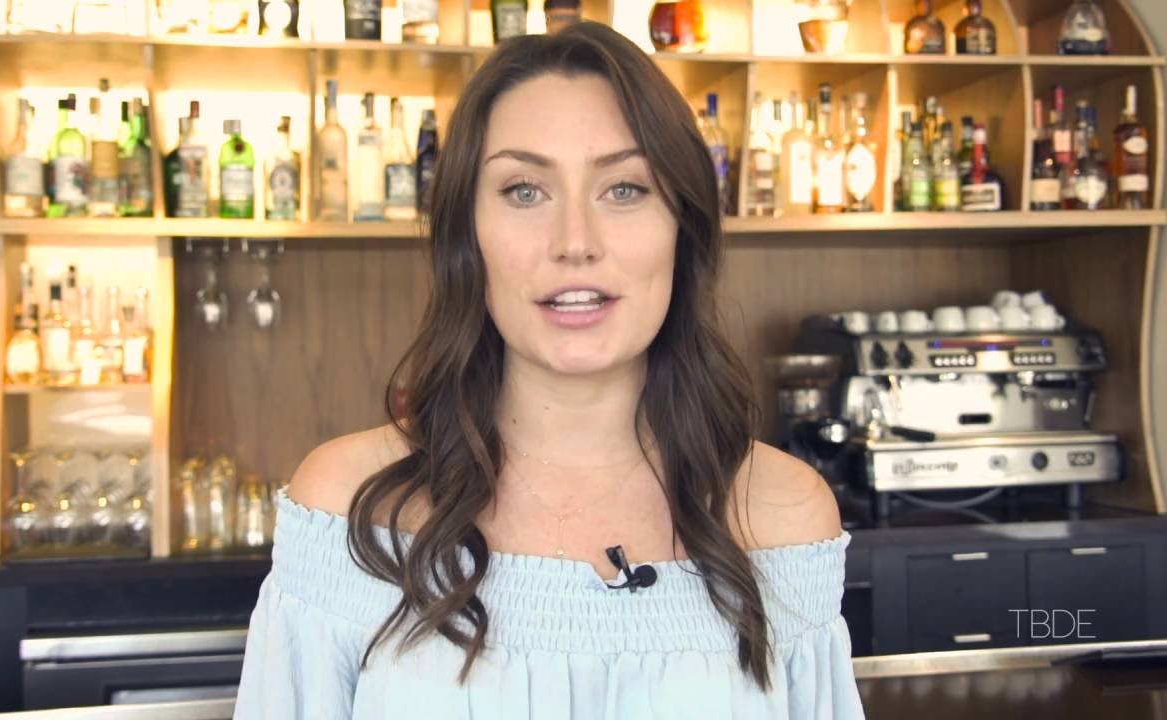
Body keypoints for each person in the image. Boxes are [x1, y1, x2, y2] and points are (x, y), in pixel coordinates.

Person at [235, 22, 864, 719]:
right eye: (525, 191)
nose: (575, 243)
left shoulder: (783, 515)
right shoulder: (349, 509)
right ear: (467, 235)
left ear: (681, 230)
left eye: (624, 188)